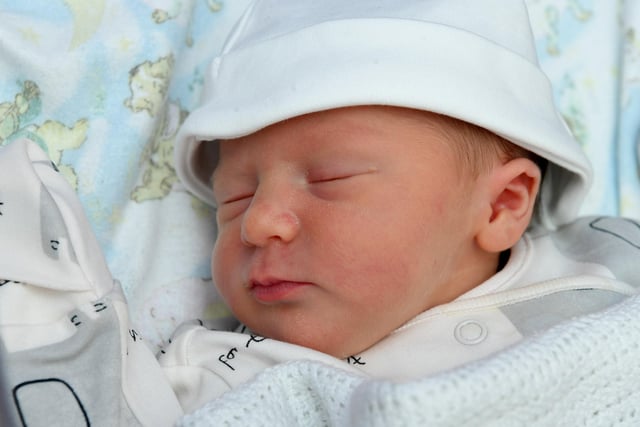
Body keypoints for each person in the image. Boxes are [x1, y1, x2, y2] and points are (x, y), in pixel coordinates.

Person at [162, 0, 640, 414]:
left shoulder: (609, 258)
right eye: (233, 198)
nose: (257, 223)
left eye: (331, 178)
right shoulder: (225, 372)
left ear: (500, 206)